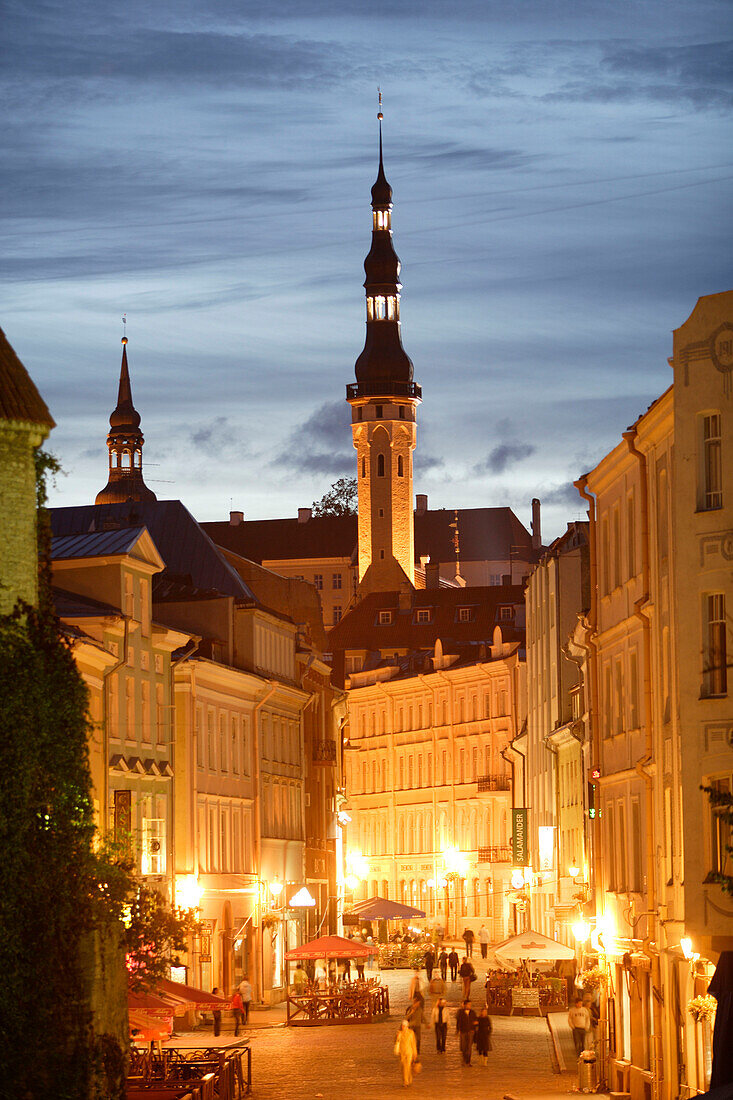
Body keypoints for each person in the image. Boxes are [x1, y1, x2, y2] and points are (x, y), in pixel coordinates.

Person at [394, 1019, 419, 1087]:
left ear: (407, 1026)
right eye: (402, 1026)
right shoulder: (399, 1033)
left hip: (409, 1052)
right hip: (401, 1052)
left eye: (404, 1026)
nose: (403, 1027)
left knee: (407, 1066)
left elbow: (413, 1043)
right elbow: (396, 1042)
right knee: (403, 1067)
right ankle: (409, 1079)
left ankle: (406, 1082)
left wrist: (415, 1053)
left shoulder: (411, 1033)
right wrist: (397, 1036)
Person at [456, 999, 478, 1064]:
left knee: (469, 1047)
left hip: (471, 1031)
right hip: (463, 1031)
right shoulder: (460, 1012)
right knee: (463, 1046)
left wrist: (475, 1027)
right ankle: (464, 1058)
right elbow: (458, 1022)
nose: (469, 1006)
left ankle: (468, 1061)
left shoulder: (472, 1012)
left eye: (470, 1005)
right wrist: (457, 1030)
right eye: (468, 1004)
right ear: (465, 1005)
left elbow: (476, 1021)